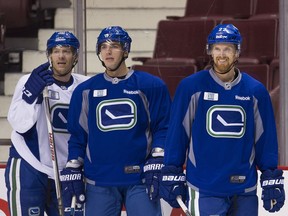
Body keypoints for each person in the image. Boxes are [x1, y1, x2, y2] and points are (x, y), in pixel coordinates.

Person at [159, 24, 285, 215]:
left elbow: (265, 140)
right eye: (217, 48)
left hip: (244, 188)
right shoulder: (191, 88)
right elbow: (178, 133)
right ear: (210, 52)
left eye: (227, 49)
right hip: (204, 188)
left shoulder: (255, 91)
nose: (222, 54)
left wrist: (270, 176)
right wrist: (171, 169)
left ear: (237, 53)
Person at [60, 26, 171, 215]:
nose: (108, 51)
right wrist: (73, 164)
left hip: (140, 178)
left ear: (126, 50)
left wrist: (158, 157)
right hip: (99, 181)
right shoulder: (85, 91)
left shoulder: (150, 86)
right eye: (103, 47)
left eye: (114, 46)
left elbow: (164, 127)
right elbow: (79, 136)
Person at [4, 31, 88, 216]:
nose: (60, 56)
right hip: (30, 165)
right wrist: (30, 96)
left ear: (75, 56)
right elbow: (20, 125)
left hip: (68, 171)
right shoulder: (30, 81)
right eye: (56, 50)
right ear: (49, 55)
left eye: (66, 50)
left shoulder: (85, 86)